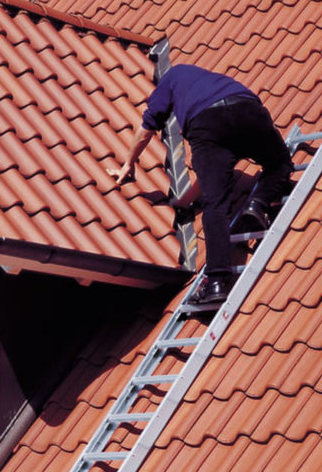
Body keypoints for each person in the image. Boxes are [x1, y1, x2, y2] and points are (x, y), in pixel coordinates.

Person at [109, 63, 293, 305]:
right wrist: (183, 200)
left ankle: (215, 283)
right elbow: (212, 172)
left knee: (216, 205)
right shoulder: (209, 79)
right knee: (280, 164)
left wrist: (128, 164)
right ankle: (258, 203)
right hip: (248, 109)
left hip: (207, 124)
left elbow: (146, 129)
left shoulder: (171, 78)